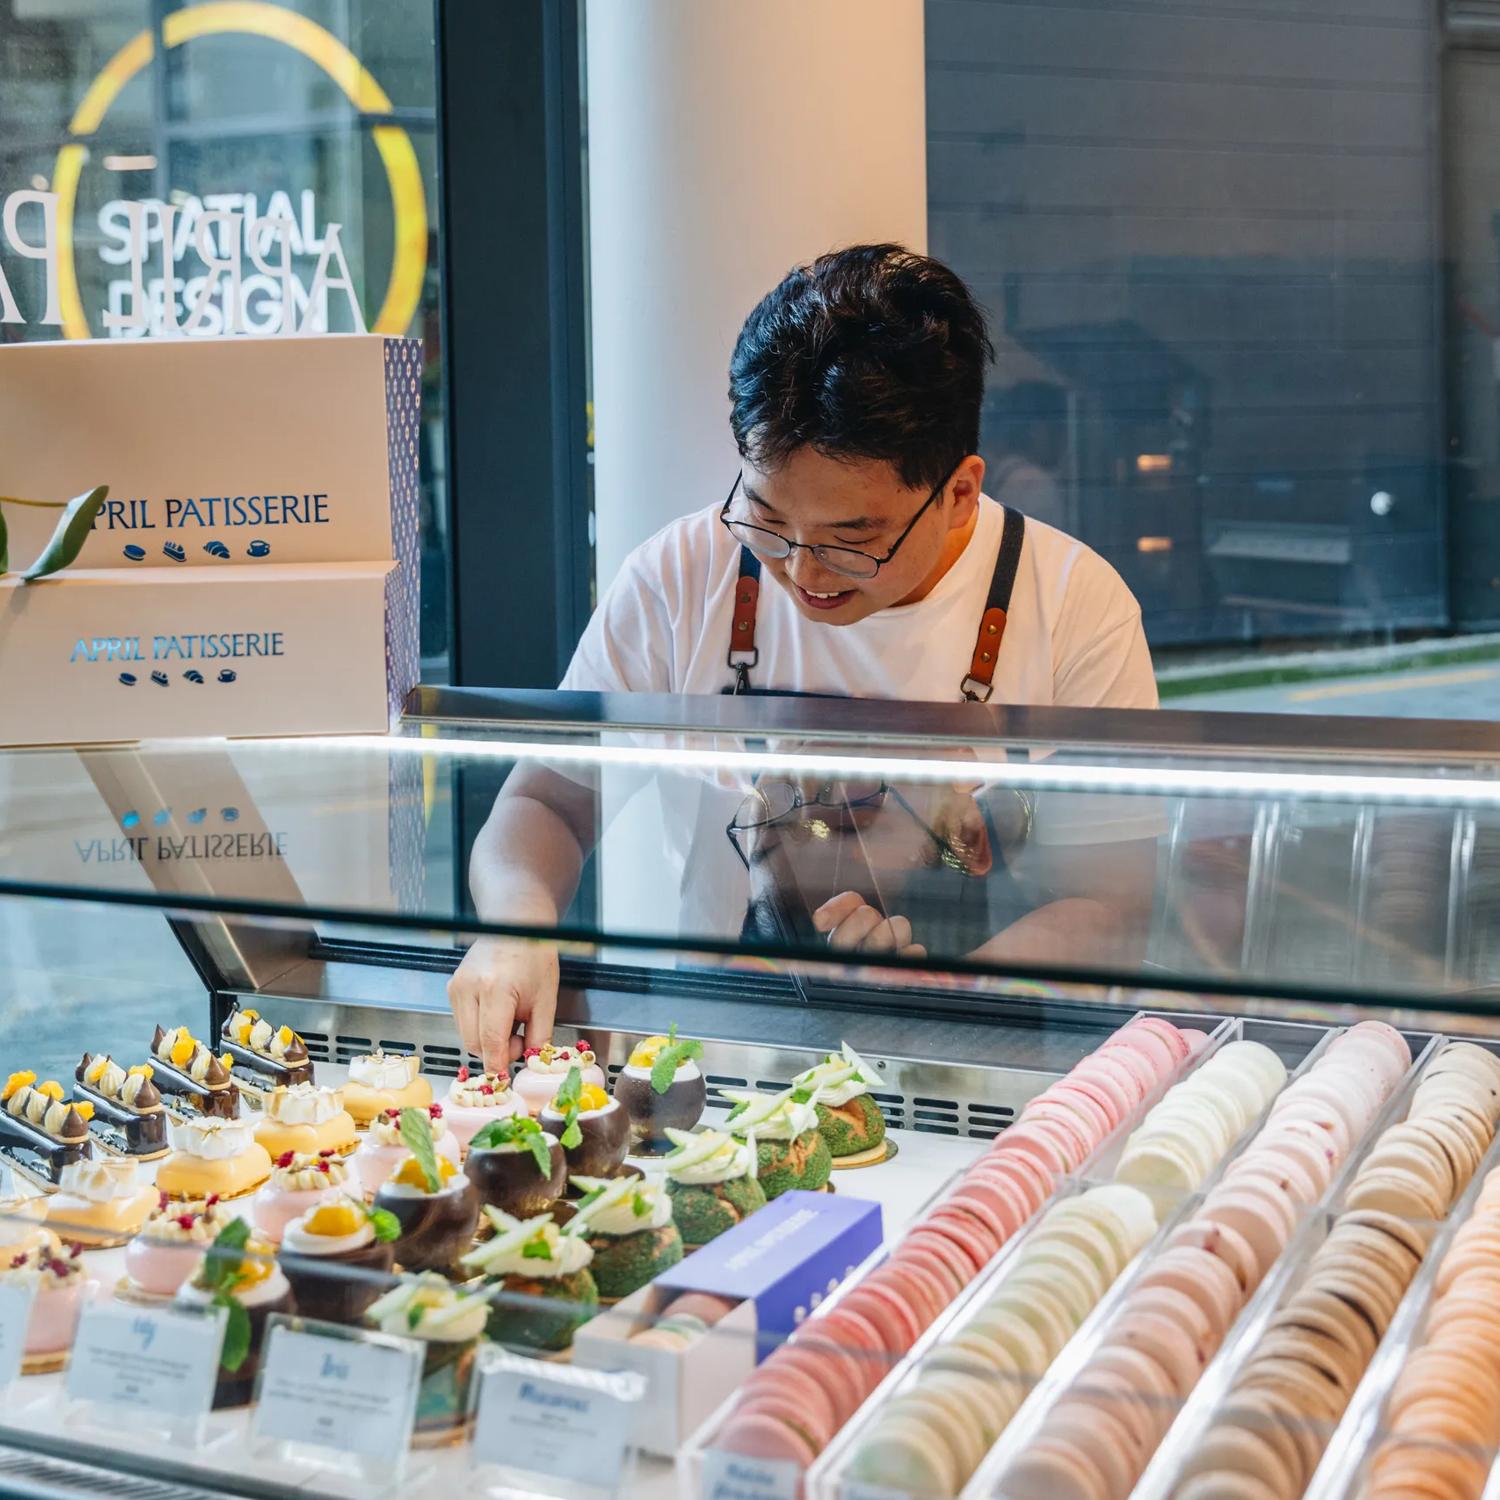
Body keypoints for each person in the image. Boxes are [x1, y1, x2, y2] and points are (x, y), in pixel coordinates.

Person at [449, 244, 1160, 1069]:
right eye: (767, 519)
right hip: (717, 1068)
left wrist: (945, 999)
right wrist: (513, 926)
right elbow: (547, 804)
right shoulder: (681, 575)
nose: (803, 571)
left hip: (977, 1075)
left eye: (852, 540)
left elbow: (1110, 897)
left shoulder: (1075, 605)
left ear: (960, 490)